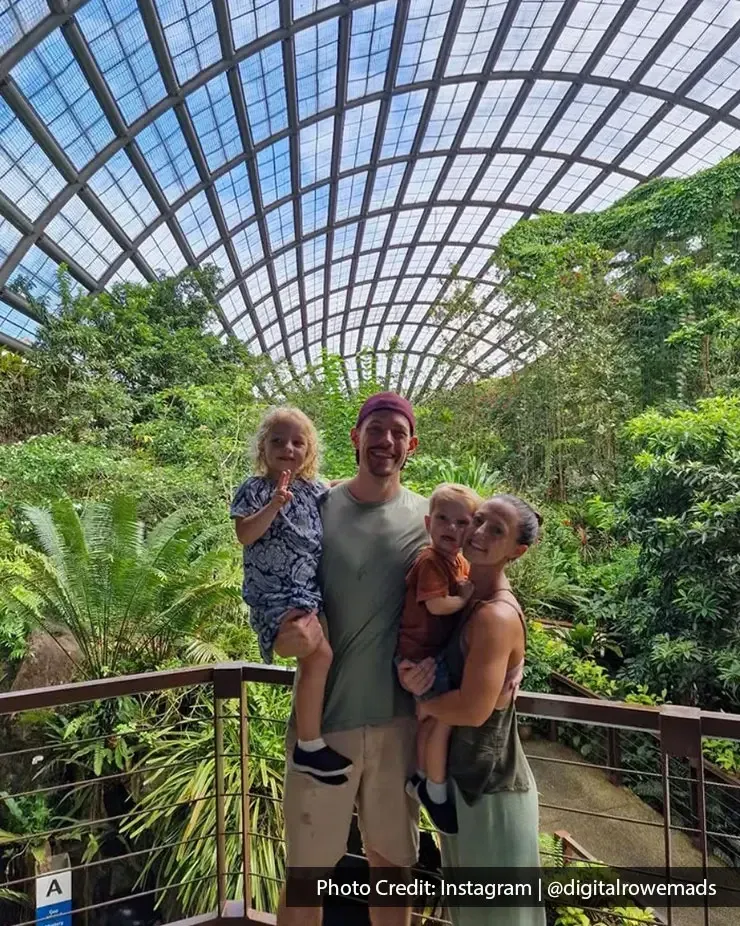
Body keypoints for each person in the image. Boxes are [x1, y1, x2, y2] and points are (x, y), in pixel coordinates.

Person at [274, 392, 434, 926]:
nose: (385, 442)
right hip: (324, 727)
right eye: (375, 429)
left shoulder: (429, 519)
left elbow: (474, 586)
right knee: (306, 877)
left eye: (396, 433)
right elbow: (274, 585)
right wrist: (279, 639)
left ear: (411, 445)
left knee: (392, 869)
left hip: (397, 726)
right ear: (356, 437)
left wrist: (507, 660)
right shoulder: (315, 508)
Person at [406, 494, 547, 926]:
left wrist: (425, 706)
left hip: (492, 793)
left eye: (496, 530)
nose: (479, 533)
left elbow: (471, 709)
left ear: (516, 552)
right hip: (466, 787)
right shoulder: (471, 601)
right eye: (479, 520)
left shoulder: (495, 616)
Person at [230, 406, 352, 782]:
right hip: (273, 595)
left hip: (304, 593)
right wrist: (274, 504)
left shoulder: (311, 489)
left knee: (319, 658)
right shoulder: (254, 488)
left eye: (298, 442)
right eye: (278, 440)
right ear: (262, 447)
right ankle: (308, 743)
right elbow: (245, 535)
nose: (288, 448)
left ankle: (310, 742)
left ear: (309, 452)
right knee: (320, 655)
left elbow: (334, 487)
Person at [397, 483, 481, 836]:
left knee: (429, 722)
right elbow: (435, 605)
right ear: (429, 523)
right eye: (444, 520)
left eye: (462, 523)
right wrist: (463, 601)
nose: (452, 528)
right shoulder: (430, 560)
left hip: (429, 657)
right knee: (443, 720)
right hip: (420, 657)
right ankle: (435, 790)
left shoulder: (459, 561)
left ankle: (419, 777)